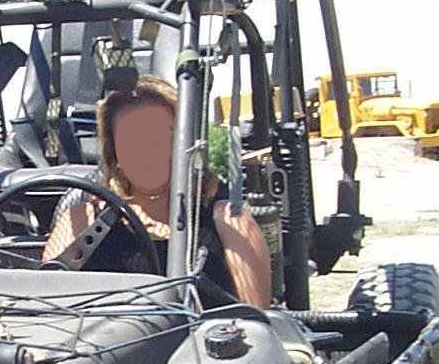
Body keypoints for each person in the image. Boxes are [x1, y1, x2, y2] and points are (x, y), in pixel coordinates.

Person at [42, 74, 272, 307]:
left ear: (186, 144)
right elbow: (46, 306)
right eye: (133, 140)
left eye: (161, 137)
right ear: (114, 154)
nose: (148, 151)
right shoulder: (81, 220)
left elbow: (254, 318)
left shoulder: (229, 221)